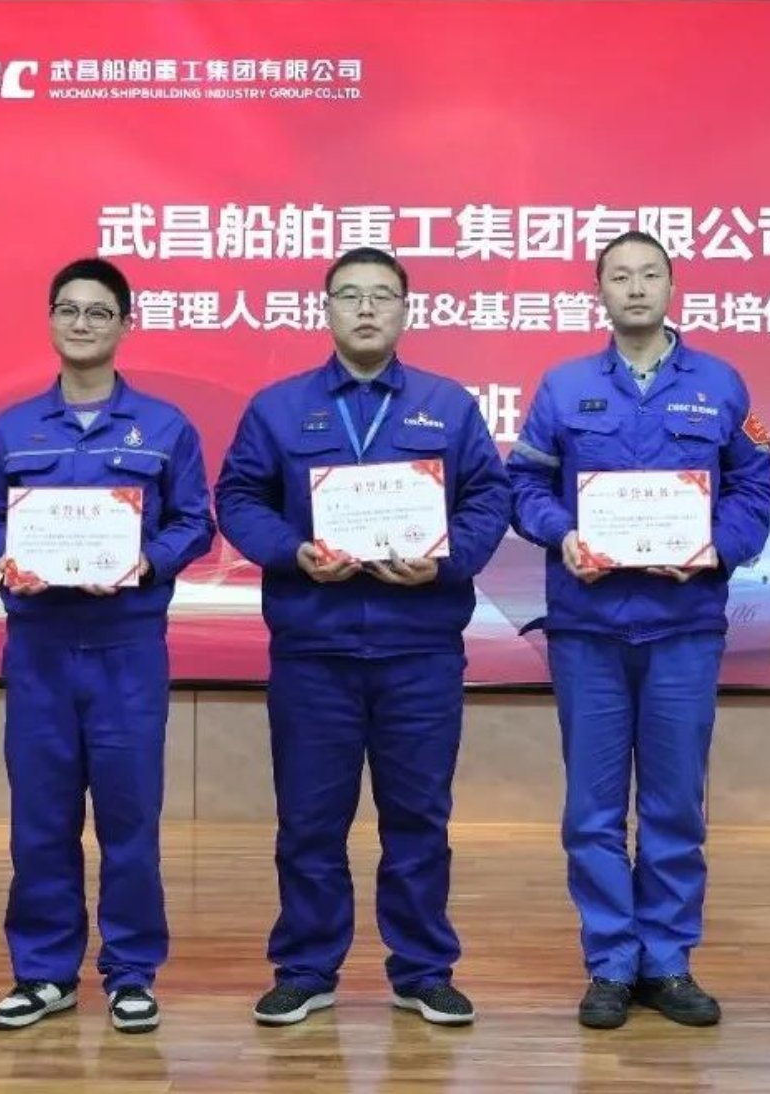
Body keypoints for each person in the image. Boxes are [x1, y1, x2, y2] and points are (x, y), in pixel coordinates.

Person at [214, 246, 512, 1028]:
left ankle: (423, 970)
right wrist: (293, 552)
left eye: (383, 295)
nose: (368, 308)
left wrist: (445, 561)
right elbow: (238, 497)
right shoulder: (279, 408)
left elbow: (489, 499)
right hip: (315, 652)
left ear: (406, 311)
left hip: (420, 650)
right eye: (350, 295)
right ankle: (306, 968)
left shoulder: (448, 406)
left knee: (419, 820)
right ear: (327, 310)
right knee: (310, 821)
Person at [507, 231, 770, 1029]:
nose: (635, 288)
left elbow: (754, 486)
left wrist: (716, 548)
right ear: (599, 291)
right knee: (592, 811)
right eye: (619, 276)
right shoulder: (563, 386)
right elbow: (524, 484)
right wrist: (561, 533)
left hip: (684, 626)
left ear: (671, 286)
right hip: (588, 627)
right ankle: (610, 963)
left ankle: (667, 960)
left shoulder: (720, 383)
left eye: (649, 274)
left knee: (674, 807)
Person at [0, 257, 216, 1035]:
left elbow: (195, 522)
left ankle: (132, 972)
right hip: (39, 646)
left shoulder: (165, 427)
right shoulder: (13, 429)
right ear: (50, 321)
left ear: (124, 325)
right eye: (68, 310)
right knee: (41, 818)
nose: (82, 323)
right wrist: (7, 552)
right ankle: (44, 972)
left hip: (126, 646)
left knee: (129, 819)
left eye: (98, 312)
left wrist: (146, 562)